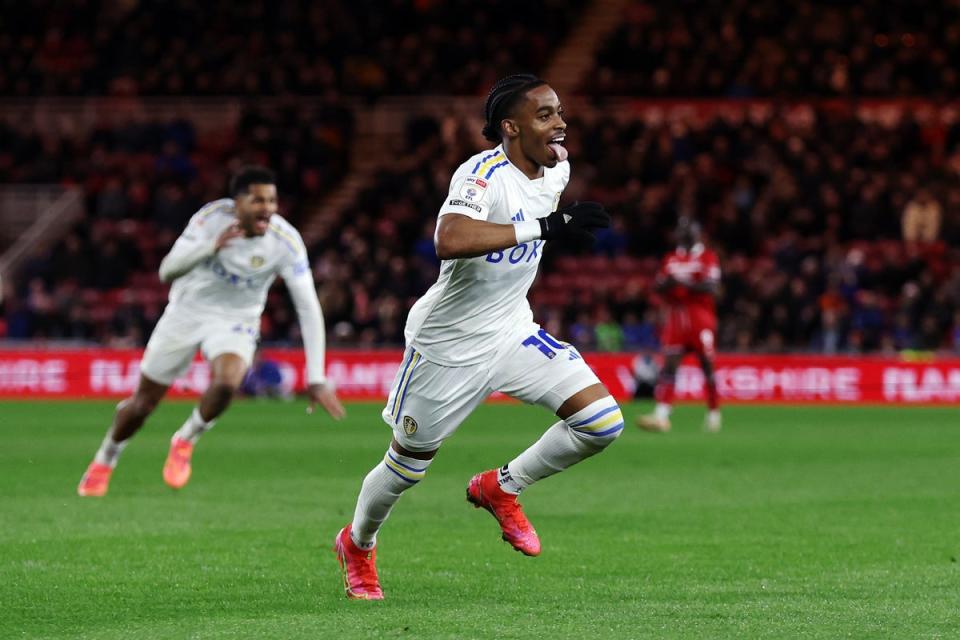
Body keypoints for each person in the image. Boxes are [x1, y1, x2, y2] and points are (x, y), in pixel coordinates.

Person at [333, 74, 621, 600]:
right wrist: (547, 228)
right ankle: (358, 544)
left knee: (601, 422)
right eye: (545, 115)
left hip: (511, 329)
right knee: (404, 469)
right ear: (510, 128)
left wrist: (551, 225)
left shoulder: (557, 169)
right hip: (449, 345)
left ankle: (501, 486)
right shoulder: (482, 173)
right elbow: (450, 238)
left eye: (559, 112)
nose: (560, 123)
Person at [77, 166, 345, 497]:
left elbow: (307, 307)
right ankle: (105, 459)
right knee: (142, 406)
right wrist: (211, 247)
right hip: (186, 313)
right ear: (238, 203)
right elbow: (166, 271)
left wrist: (316, 376)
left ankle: (186, 438)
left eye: (272, 200)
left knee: (228, 381)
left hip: (236, 320)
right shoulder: (209, 220)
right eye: (258, 200)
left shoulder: (285, 241)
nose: (268, 209)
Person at [637, 217, 722, 433]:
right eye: (681, 231)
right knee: (669, 366)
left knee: (707, 366)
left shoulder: (707, 257)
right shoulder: (671, 258)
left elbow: (712, 287)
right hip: (676, 318)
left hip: (701, 318)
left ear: (697, 233)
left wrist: (680, 284)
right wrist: (667, 285)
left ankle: (713, 413)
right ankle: (662, 415)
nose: (684, 234)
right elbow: (658, 285)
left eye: (688, 230)